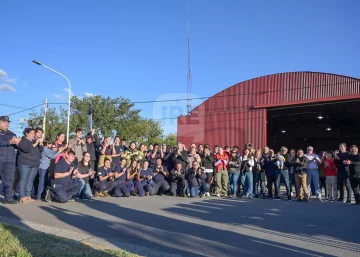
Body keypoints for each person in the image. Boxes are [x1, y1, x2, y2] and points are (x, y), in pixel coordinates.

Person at [17, 128, 44, 203]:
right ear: (26, 133)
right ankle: (22, 196)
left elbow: (41, 150)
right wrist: (35, 144)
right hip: (25, 163)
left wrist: (40, 144)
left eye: (33, 133)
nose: (33, 135)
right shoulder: (23, 141)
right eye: (31, 133)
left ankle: (28, 195)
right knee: (23, 179)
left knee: (30, 180)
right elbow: (26, 149)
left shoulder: (34, 141)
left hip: (35, 164)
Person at [0, 116, 20, 204]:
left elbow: (16, 145)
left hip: (10, 161)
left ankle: (8, 198)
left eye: (8, 122)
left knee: (9, 180)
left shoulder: (12, 134)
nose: (6, 124)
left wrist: (18, 142)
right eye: (4, 122)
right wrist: (9, 142)